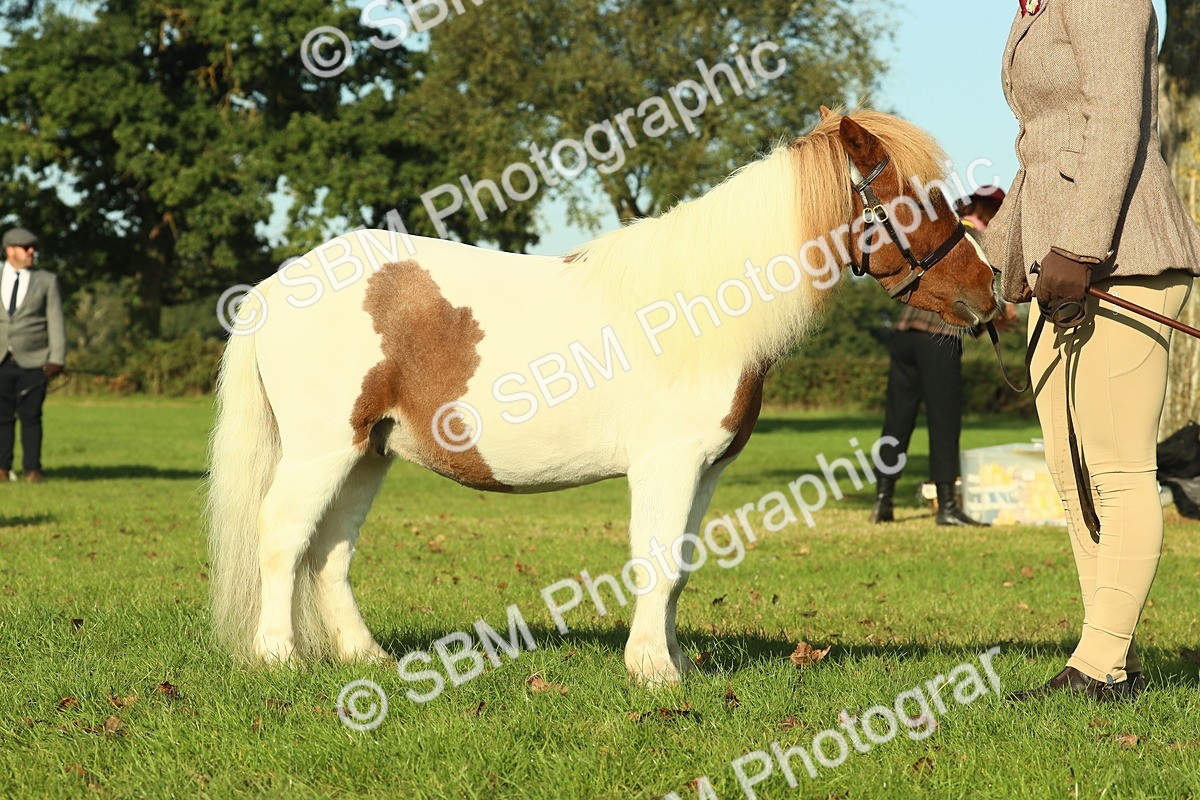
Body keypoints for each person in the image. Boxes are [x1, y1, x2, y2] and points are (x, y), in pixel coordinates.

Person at [983, 0, 1200, 701]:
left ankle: (1098, 664)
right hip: (1059, 267)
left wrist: (1078, 246)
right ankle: (1115, 662)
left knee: (1116, 465)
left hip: (1122, 251)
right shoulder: (1029, 10)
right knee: (1070, 469)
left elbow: (1115, 122)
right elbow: (1038, 148)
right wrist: (996, 262)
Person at [868, 186, 1014, 527]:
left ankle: (883, 500)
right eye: (994, 211)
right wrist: (996, 317)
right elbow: (967, 297)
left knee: (897, 420)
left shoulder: (943, 229)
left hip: (905, 334)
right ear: (984, 208)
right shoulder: (973, 235)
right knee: (944, 420)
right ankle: (947, 505)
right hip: (939, 338)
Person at [0, 227, 66, 483]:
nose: (31, 252)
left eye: (33, 247)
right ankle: (2, 468)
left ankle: (32, 469)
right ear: (10, 250)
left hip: (34, 359)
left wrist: (56, 359)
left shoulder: (46, 280)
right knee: (2, 417)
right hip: (1, 359)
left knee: (31, 417)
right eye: (26, 247)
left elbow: (56, 321)